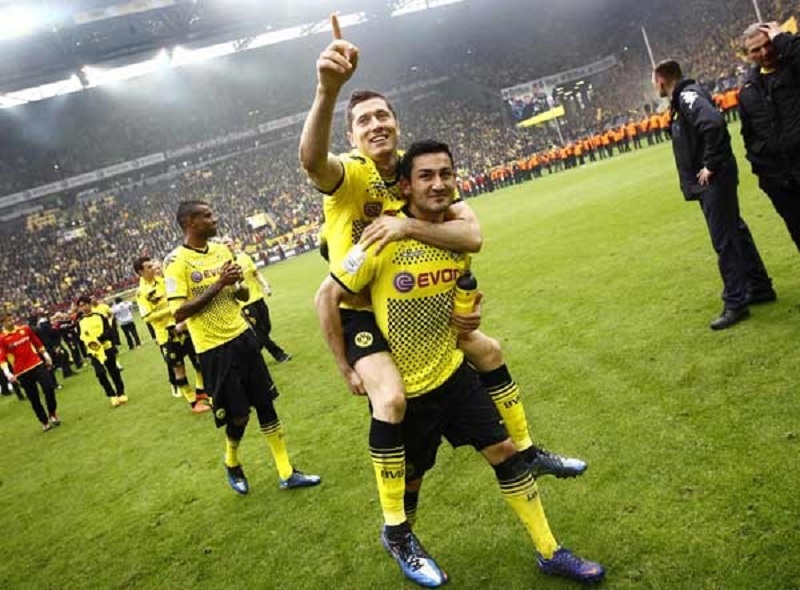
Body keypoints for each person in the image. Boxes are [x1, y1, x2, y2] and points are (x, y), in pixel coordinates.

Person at [321, 140, 605, 587]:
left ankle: (550, 551)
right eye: (426, 176)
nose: (438, 184)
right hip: (410, 389)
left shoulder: (457, 237)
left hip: (453, 374)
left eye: (446, 174)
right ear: (406, 186)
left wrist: (467, 316)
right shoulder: (379, 239)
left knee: (505, 452)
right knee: (411, 481)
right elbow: (326, 297)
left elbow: (460, 292)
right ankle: (399, 536)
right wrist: (346, 367)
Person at [164, 201, 320, 494]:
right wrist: (219, 283)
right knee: (239, 415)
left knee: (265, 403)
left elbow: (242, 295)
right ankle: (232, 462)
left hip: (243, 338)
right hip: (213, 349)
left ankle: (286, 472)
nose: (215, 218)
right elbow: (179, 312)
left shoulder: (222, 251)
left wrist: (237, 284)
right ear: (191, 222)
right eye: (207, 215)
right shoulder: (176, 261)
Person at [653, 59, 775, 330]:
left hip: (713, 179)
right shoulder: (683, 99)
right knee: (735, 230)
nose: (654, 86)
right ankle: (759, 286)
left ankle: (735, 302)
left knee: (724, 240)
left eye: (654, 81)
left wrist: (710, 164)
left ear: (661, 78)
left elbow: (713, 123)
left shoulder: (686, 95)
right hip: (716, 177)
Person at [739, 22, 800, 253]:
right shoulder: (747, 90)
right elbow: (749, 136)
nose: (764, 52)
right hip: (780, 182)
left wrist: (782, 38)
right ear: (747, 55)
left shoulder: (793, 68)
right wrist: (765, 175)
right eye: (756, 50)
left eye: (767, 44)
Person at [134, 256, 210, 413]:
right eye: (149, 267)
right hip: (166, 335)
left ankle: (200, 393)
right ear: (140, 272)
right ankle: (193, 403)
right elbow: (147, 317)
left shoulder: (163, 282)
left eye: (152, 266)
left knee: (200, 361)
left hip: (183, 328)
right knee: (178, 369)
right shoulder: (141, 293)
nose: (153, 269)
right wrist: (171, 310)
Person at [220, 238, 291, 363]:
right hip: (244, 302)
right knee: (259, 330)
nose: (228, 245)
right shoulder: (223, 266)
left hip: (258, 297)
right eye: (225, 243)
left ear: (234, 244)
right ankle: (279, 354)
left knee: (266, 326)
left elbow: (256, 273)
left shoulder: (244, 257)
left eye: (229, 242)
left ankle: (254, 349)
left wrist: (265, 285)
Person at [0, 311, 60, 431]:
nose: (11, 322)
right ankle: (44, 421)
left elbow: (37, 343)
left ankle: (52, 413)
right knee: (34, 398)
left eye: (12, 319)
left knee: (49, 388)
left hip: (36, 364)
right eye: (8, 321)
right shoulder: (2, 339)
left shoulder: (25, 329)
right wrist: (7, 373)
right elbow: (2, 358)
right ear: (2, 323)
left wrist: (46, 356)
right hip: (21, 371)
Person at [77, 295, 127, 406]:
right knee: (100, 374)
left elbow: (108, 331)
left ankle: (121, 393)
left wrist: (99, 339)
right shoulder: (80, 322)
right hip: (93, 352)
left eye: (85, 305)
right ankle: (112, 395)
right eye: (81, 306)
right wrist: (85, 353)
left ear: (89, 304)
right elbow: (80, 339)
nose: (83, 308)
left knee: (114, 371)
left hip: (106, 348)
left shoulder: (99, 316)